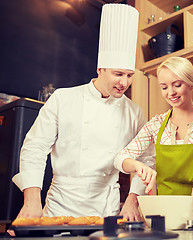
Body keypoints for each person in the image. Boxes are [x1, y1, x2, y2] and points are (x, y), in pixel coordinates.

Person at [12, 3, 155, 219]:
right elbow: (35, 148)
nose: (124, 82)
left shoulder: (134, 111)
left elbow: (147, 159)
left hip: (106, 208)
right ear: (100, 69)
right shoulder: (63, 99)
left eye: (129, 75)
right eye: (118, 74)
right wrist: (32, 201)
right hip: (60, 205)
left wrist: (133, 200)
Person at [114, 56, 193, 224]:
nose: (171, 93)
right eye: (164, 87)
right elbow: (120, 159)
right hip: (167, 217)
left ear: (191, 83)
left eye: (177, 85)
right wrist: (138, 166)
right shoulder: (155, 125)